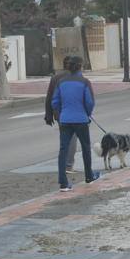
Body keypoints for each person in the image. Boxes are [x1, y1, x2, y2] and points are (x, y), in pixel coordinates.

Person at [51, 57, 100, 191]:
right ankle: (89, 175)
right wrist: (87, 113)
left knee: (63, 150)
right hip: (81, 119)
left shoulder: (61, 82)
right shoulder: (84, 82)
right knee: (85, 148)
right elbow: (90, 102)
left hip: (65, 119)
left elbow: (54, 102)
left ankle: (63, 182)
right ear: (80, 67)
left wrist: (61, 114)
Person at [45, 55, 78, 174]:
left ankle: (64, 164)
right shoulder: (77, 77)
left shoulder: (56, 78)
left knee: (65, 139)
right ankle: (68, 165)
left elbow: (49, 97)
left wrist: (48, 115)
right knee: (72, 138)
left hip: (59, 114)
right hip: (74, 113)